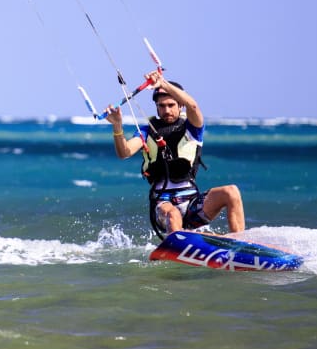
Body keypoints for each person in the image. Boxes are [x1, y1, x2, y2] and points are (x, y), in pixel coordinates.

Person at [105, 71, 245, 237]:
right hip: (163, 204)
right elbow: (124, 152)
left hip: (193, 203)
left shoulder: (193, 128)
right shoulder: (147, 131)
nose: (166, 110)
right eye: (161, 106)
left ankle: (238, 243)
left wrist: (163, 84)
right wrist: (117, 127)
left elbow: (193, 106)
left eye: (171, 105)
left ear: (180, 106)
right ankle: (180, 242)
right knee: (174, 214)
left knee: (231, 191)